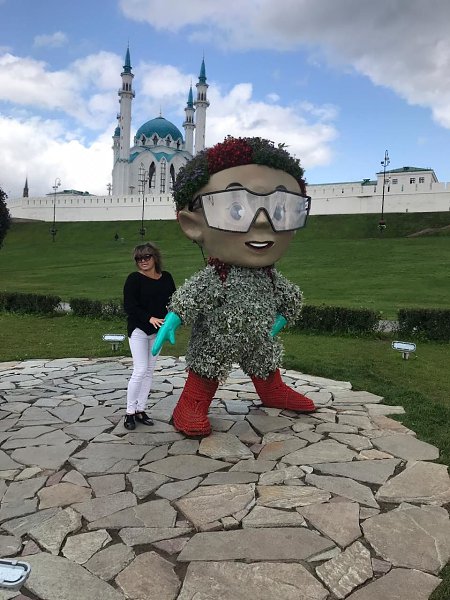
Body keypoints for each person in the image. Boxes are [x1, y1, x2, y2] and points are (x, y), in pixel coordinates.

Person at [152, 136, 316, 437]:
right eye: (237, 210)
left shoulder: (270, 277)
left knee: (265, 361)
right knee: (207, 366)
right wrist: (174, 318)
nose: (263, 222)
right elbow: (193, 294)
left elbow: (289, 297)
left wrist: (281, 319)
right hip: (218, 336)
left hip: (260, 337)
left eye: (281, 211)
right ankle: (191, 404)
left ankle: (273, 390)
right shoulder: (219, 276)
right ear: (192, 224)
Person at [123, 242, 176, 430]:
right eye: (139, 258)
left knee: (149, 372)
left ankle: (141, 409)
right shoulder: (134, 279)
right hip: (138, 330)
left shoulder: (166, 278)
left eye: (146, 257)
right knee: (140, 370)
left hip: (158, 331)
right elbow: (129, 306)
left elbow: (174, 301)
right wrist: (149, 318)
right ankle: (129, 412)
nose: (143, 261)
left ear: (155, 258)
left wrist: (172, 320)